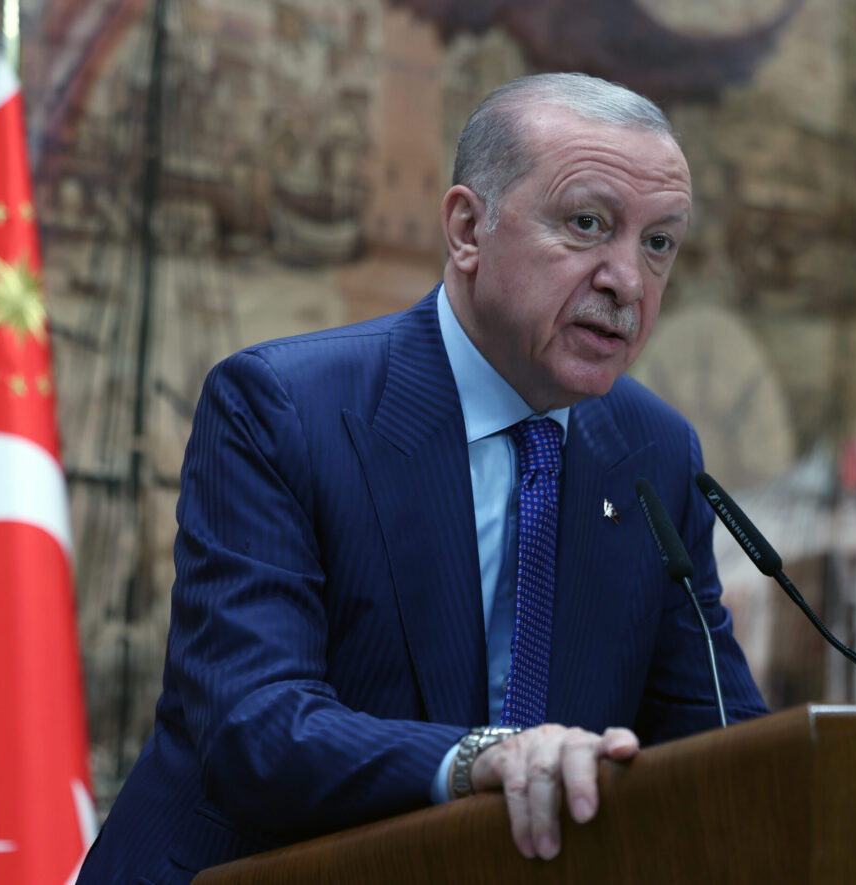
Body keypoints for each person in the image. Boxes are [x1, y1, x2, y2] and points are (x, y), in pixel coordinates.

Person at [77, 72, 767, 884]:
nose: (627, 281)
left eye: (658, 244)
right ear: (468, 228)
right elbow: (254, 726)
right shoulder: (283, 409)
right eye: (588, 224)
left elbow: (719, 739)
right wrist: (483, 758)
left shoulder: (654, 451)